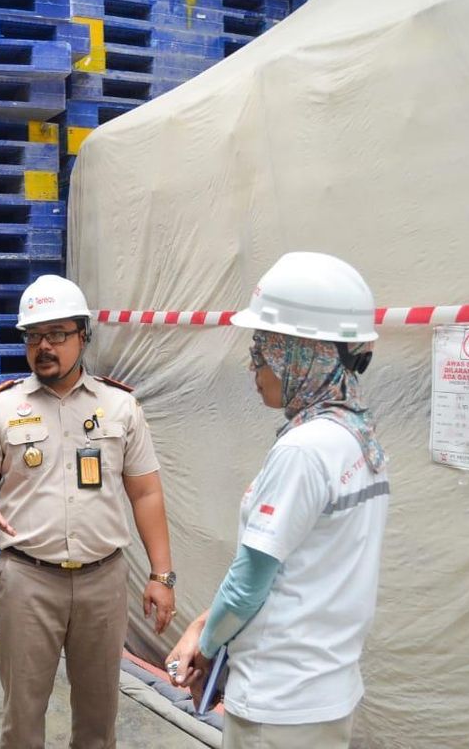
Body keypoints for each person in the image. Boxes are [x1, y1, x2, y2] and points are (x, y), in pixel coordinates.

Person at [166, 252, 390, 749]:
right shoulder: (358, 437)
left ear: (301, 354)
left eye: (262, 350)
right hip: (327, 691)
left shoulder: (304, 450)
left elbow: (249, 585)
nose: (253, 367)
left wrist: (203, 645)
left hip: (280, 701)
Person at [0, 274, 177, 749]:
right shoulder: (2, 408)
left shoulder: (119, 407)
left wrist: (162, 575)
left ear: (82, 336)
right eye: (33, 336)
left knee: (99, 721)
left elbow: (145, 493)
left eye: (57, 334)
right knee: (23, 718)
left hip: (103, 581)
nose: (43, 347)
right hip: (27, 582)